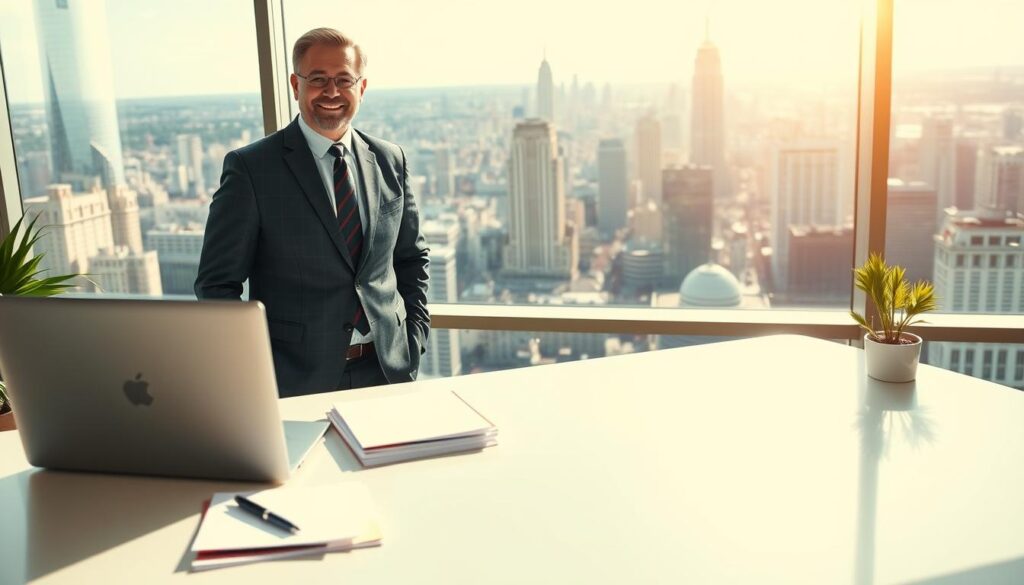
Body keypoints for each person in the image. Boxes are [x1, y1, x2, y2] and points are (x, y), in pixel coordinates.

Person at [195, 28, 429, 396]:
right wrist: (255, 369)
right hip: (293, 382)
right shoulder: (251, 169)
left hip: (388, 371)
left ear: (362, 88)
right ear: (295, 84)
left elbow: (412, 258)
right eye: (317, 79)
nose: (332, 92)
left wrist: (413, 338)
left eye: (343, 80)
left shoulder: (389, 159)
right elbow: (216, 286)